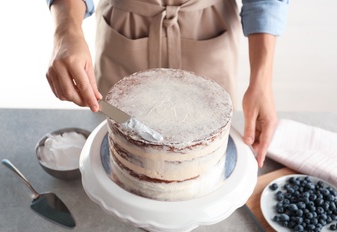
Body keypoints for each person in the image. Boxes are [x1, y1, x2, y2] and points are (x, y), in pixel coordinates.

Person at [45, 0, 289, 168]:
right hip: (125, 26)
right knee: (123, 150)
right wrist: (66, 31)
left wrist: (262, 80)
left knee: (201, 156)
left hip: (208, 27)